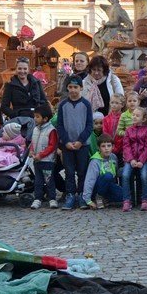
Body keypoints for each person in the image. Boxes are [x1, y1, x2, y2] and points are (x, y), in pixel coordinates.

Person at [56, 78, 94, 209]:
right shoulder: (62, 105)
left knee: (82, 171)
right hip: (67, 145)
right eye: (70, 87)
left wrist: (80, 140)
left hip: (82, 145)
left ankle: (83, 195)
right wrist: (65, 141)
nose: (73, 90)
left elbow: (89, 125)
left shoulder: (86, 104)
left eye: (75, 87)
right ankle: (70, 195)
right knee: (69, 172)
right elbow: (59, 125)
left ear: (81, 88)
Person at [120, 106, 147, 211]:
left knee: (144, 176)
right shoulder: (128, 130)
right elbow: (126, 146)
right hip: (130, 159)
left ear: (143, 119)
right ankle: (127, 201)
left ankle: (145, 200)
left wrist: (141, 160)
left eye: (137, 115)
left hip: (144, 160)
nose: (134, 117)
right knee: (125, 175)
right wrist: (131, 160)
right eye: (133, 115)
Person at [27, 104, 59, 209]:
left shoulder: (51, 130)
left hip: (47, 161)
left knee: (49, 180)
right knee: (38, 181)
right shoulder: (35, 129)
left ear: (45, 119)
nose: (35, 118)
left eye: (37, 116)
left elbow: (52, 146)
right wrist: (31, 151)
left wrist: (41, 155)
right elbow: (33, 142)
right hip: (37, 160)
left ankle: (52, 198)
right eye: (34, 116)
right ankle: (37, 198)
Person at [85, 137, 125, 208]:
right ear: (99, 148)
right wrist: (88, 200)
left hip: (109, 185)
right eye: (103, 146)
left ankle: (105, 199)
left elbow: (116, 172)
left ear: (113, 147)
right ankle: (98, 197)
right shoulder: (95, 162)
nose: (106, 148)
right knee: (108, 175)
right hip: (97, 187)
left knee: (124, 196)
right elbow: (89, 180)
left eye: (109, 146)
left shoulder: (113, 157)